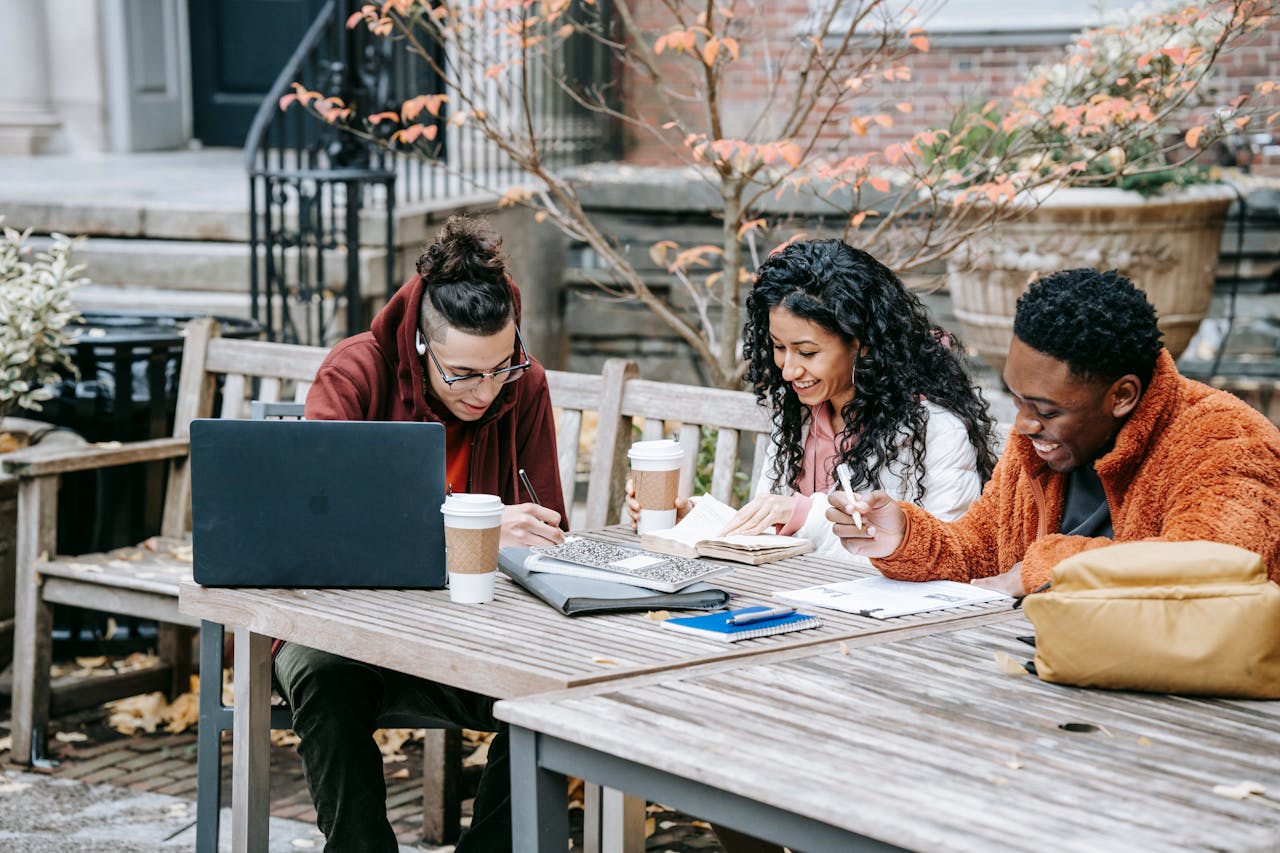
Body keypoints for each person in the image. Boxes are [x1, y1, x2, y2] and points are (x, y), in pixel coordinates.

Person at [275, 216, 567, 853]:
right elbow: (316, 528)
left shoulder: (527, 386)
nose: (487, 392)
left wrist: (525, 542)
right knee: (322, 675)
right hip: (345, 634)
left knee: (558, 699)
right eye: (464, 374)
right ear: (421, 348)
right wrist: (475, 525)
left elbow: (546, 531)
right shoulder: (356, 372)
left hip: (473, 636)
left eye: (502, 368)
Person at [828, 267, 1280, 592]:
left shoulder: (1227, 440)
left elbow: (1212, 568)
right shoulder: (1037, 443)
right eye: (1017, 398)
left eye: (1045, 409)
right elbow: (980, 552)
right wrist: (901, 536)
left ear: (1121, 395)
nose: (1023, 424)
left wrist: (1041, 567)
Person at [626, 238, 999, 557]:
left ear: (861, 345)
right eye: (778, 347)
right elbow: (774, 533)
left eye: (806, 352)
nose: (788, 371)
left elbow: (942, 557)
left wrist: (805, 514)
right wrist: (693, 519)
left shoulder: (934, 432)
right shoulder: (797, 417)